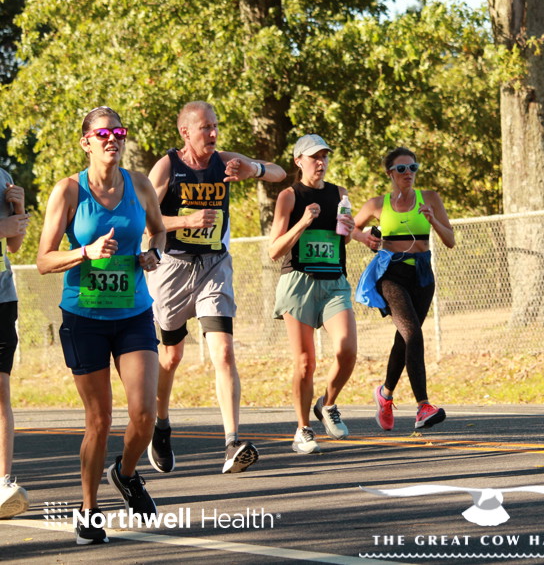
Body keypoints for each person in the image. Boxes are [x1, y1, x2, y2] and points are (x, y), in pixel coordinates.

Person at [37, 106, 165, 544]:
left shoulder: (140, 184)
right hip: (84, 317)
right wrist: (84, 252)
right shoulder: (68, 190)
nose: (113, 139)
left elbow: (158, 230)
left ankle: (125, 474)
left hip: (133, 312)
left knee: (144, 415)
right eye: (103, 133)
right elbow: (43, 260)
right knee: (99, 419)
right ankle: (89, 511)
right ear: (86, 142)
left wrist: (153, 254)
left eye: (118, 132)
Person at [145, 101, 285, 474]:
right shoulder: (167, 167)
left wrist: (253, 169)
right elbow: (144, 220)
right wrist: (185, 220)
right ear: (185, 132)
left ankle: (231, 443)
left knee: (223, 352)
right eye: (205, 127)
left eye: (215, 126)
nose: (213, 133)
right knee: (171, 357)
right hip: (172, 269)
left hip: (214, 266)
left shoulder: (224, 161)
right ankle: (161, 425)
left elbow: (279, 172)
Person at [353, 147, 454, 431]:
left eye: (412, 168)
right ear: (390, 173)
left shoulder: (430, 198)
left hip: (422, 274)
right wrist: (364, 238)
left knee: (405, 338)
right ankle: (423, 406)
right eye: (401, 169)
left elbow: (450, 240)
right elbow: (348, 228)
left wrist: (433, 220)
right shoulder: (377, 204)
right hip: (391, 274)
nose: (408, 173)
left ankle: (385, 395)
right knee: (413, 334)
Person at [268, 135, 357, 453]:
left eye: (324, 156)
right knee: (305, 362)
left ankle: (327, 404)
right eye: (314, 157)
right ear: (299, 161)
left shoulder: (340, 193)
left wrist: (350, 230)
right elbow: (274, 250)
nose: (321, 162)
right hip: (298, 283)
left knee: (347, 350)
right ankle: (302, 429)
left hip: (333, 282)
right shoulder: (289, 197)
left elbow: (344, 238)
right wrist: (303, 222)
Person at [0, 170, 29, 519]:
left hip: (2, 296)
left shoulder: (3, 176)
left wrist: (19, 211)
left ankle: (3, 483)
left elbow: (13, 245)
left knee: (1, 391)